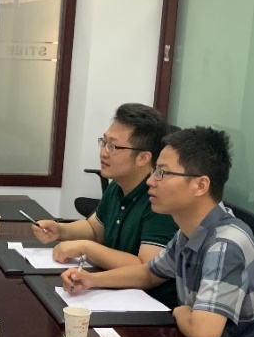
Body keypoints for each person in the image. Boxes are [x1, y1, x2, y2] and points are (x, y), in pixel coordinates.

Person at [61, 126, 254, 337]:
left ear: (200, 185)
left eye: (162, 173)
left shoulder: (225, 245)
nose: (150, 181)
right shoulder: (188, 233)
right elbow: (148, 273)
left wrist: (181, 312)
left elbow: (202, 334)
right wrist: (92, 280)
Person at [33, 103, 178, 304]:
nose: (103, 152)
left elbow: (146, 268)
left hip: (149, 305)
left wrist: (86, 248)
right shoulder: (117, 186)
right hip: (114, 293)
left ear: (143, 158)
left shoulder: (158, 199)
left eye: (113, 146)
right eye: (104, 142)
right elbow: (94, 229)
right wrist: (60, 230)